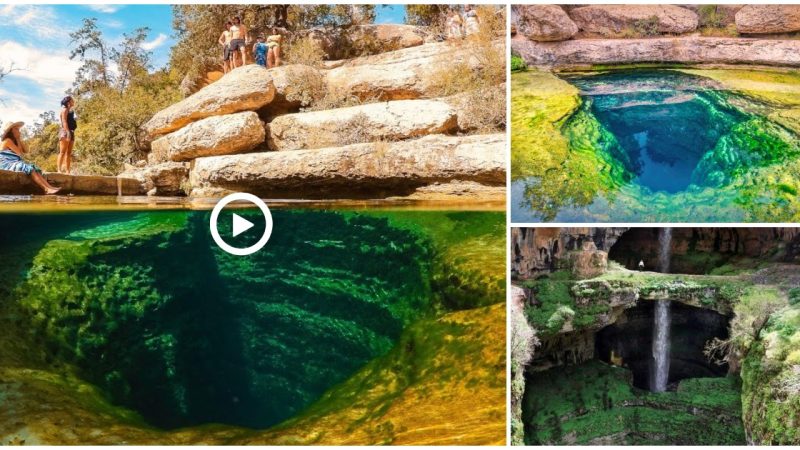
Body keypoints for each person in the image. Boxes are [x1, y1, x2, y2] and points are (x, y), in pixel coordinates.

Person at [1, 121, 61, 194]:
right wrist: (17, 139)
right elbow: (20, 153)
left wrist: (19, 139)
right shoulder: (7, 141)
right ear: (11, 131)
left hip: (14, 163)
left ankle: (49, 187)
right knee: (29, 168)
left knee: (34, 167)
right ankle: (46, 189)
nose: (19, 131)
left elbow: (26, 150)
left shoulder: (15, 141)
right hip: (6, 163)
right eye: (16, 129)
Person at [58, 95, 77, 174]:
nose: (73, 101)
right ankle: (59, 169)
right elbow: (64, 121)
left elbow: (69, 121)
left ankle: (68, 170)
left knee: (69, 153)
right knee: (62, 152)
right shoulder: (64, 110)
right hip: (65, 132)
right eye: (72, 100)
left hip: (71, 131)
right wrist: (68, 132)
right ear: (68, 102)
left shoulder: (71, 111)